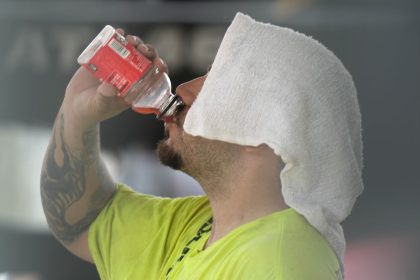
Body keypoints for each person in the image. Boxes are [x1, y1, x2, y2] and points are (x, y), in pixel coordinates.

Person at [40, 13, 363, 279]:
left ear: (263, 135)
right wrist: (77, 113)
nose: (184, 89)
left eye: (218, 86)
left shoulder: (281, 261)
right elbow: (82, 221)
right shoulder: (200, 224)